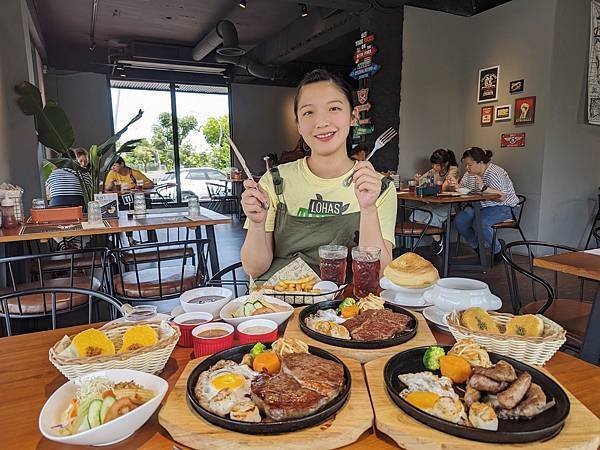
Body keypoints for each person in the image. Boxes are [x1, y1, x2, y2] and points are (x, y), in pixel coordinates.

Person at [240, 69, 397, 279]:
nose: (321, 122)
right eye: (308, 112)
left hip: (345, 306)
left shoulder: (380, 187)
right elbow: (254, 269)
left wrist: (368, 209)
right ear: (298, 124)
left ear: (353, 117)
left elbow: (379, 274)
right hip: (278, 304)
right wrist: (258, 224)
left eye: (334, 108)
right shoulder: (276, 181)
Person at [450, 147, 519, 264]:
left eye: (469, 165)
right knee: (460, 220)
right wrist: (456, 186)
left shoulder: (495, 173)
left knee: (480, 222)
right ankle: (478, 247)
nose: (467, 168)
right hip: (479, 205)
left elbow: (502, 197)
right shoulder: (469, 174)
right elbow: (463, 189)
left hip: (505, 207)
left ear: (481, 162)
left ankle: (498, 251)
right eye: (466, 165)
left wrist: (484, 188)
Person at [411, 148, 459, 255]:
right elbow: (421, 182)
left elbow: (445, 187)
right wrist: (418, 180)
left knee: (431, 216)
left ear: (445, 163)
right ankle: (438, 238)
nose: (434, 167)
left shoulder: (453, 169)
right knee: (415, 214)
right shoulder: (433, 171)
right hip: (435, 203)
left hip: (450, 205)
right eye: (433, 164)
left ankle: (438, 241)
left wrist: (435, 185)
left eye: (437, 165)